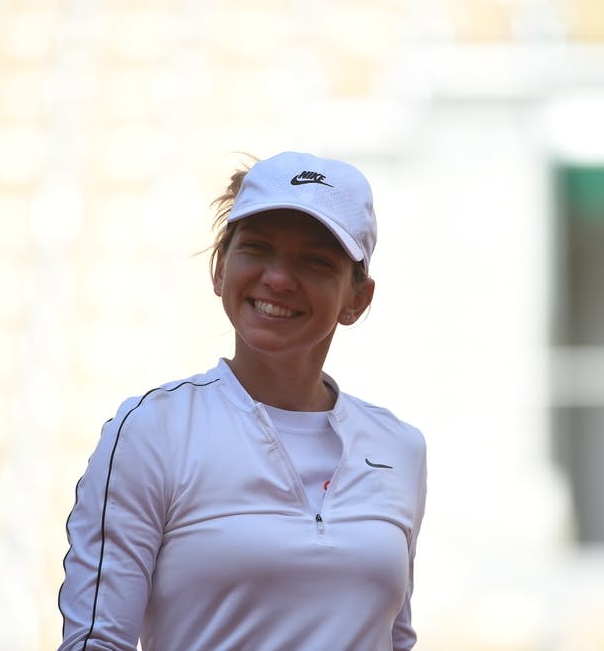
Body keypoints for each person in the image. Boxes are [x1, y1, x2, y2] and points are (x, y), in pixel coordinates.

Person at [58, 151, 428, 650]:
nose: (278, 278)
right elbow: (96, 643)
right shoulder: (152, 431)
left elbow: (394, 638)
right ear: (220, 268)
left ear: (356, 300)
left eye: (315, 261)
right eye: (257, 249)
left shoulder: (400, 448)